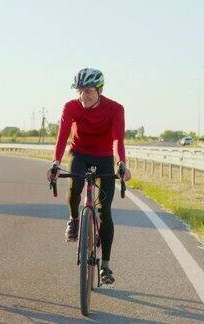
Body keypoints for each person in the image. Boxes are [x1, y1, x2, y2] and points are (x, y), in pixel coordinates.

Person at [46, 68, 132, 284]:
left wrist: (121, 162)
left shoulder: (115, 109)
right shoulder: (71, 107)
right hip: (80, 152)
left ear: (99, 91)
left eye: (89, 91)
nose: (84, 96)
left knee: (105, 210)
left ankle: (105, 266)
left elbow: (117, 140)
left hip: (103, 155)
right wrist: (55, 162)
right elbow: (62, 135)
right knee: (75, 185)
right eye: (81, 91)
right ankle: (74, 220)